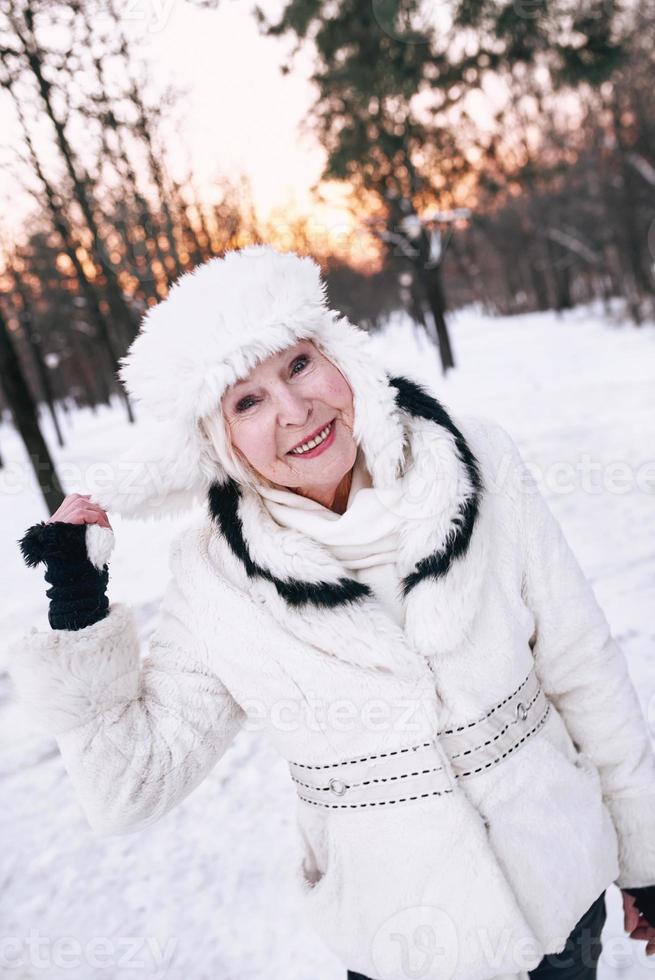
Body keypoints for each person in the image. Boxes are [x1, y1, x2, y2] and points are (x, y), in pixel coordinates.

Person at [8, 244, 655, 980]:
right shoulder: (214, 578)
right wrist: (77, 602)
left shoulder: (479, 460)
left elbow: (583, 669)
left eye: (298, 365)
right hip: (404, 943)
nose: (293, 410)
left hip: (558, 903)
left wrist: (643, 854)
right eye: (246, 402)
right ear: (218, 441)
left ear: (339, 356)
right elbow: (129, 785)